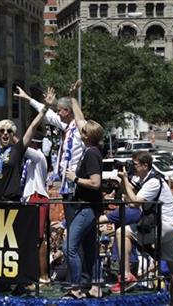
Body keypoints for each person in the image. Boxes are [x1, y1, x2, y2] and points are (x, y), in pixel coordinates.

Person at [115, 151, 173, 305]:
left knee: (121, 232)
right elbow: (131, 200)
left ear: (146, 165)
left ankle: (126, 276)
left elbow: (135, 202)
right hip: (171, 227)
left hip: (163, 225)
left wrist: (125, 179)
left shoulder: (152, 182)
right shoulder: (145, 179)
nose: (133, 167)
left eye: (136, 164)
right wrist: (123, 180)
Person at [15, 84, 85, 227]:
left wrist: (73, 98)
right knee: (71, 227)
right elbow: (49, 115)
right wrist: (28, 98)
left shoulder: (79, 130)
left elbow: (81, 119)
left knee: (75, 231)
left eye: (60, 110)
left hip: (76, 187)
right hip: (67, 188)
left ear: (67, 111)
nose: (57, 113)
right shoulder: (66, 127)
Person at [0, 87, 54, 202]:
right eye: (2, 130)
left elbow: (33, 127)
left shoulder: (17, 149)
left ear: (12, 134)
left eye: (9, 131)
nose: (5, 133)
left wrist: (46, 107)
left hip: (11, 202)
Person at [63, 85, 104, 298]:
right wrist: (72, 98)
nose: (80, 129)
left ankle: (76, 287)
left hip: (88, 207)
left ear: (87, 135)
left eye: (83, 129)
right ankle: (96, 284)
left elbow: (96, 183)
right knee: (89, 247)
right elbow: (80, 119)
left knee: (69, 246)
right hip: (86, 206)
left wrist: (75, 178)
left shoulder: (91, 155)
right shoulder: (91, 148)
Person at [21, 134, 50, 284]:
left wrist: (13, 137)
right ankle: (34, 273)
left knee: (38, 238)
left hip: (37, 197)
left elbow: (22, 148)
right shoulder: (31, 160)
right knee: (31, 238)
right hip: (29, 197)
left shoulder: (38, 156)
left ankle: (43, 275)